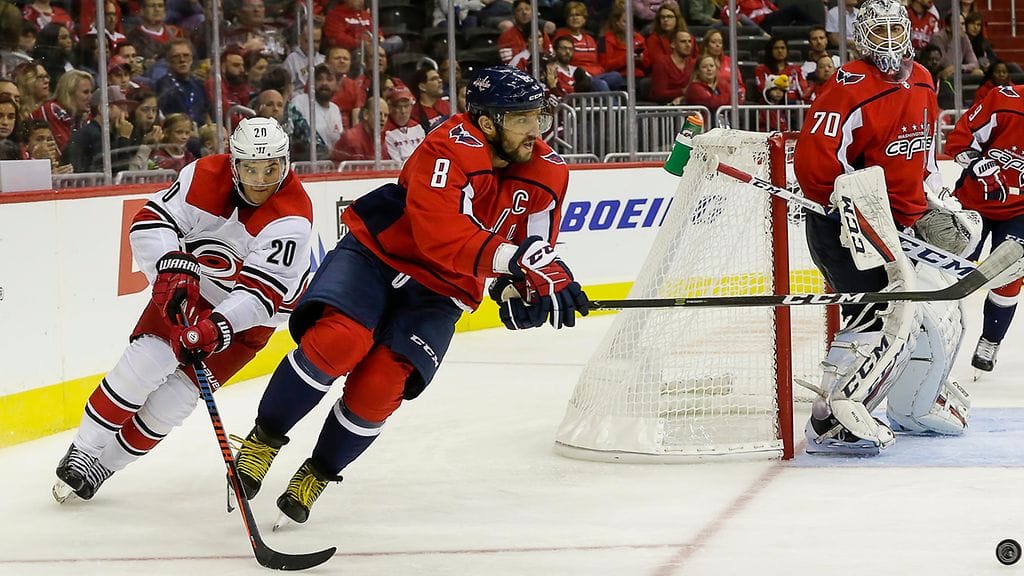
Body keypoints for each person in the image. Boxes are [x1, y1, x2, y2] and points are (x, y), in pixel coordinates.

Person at [232, 65, 589, 527]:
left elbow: (532, 248)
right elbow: (441, 235)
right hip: (381, 254)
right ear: (487, 122)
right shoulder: (447, 147)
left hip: (443, 290)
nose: (534, 130)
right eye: (521, 119)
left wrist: (522, 292)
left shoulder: (549, 173)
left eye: (536, 117)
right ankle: (264, 438)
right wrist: (516, 264)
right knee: (340, 339)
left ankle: (318, 473)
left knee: (383, 383)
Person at [52, 117, 313, 503]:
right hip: (192, 290)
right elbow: (149, 221)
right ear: (234, 163)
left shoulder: (292, 216)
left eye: (271, 168)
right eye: (251, 168)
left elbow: (260, 296)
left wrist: (216, 327)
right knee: (145, 362)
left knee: (177, 399)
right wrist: (170, 265)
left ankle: (105, 465)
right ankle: (84, 452)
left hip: (254, 316)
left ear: (286, 163)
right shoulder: (204, 176)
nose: (261, 180)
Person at [793, 0, 973, 455]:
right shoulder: (847, 88)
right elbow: (816, 164)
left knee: (937, 310)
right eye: (880, 30)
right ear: (862, 36)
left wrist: (937, 199)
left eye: (897, 28)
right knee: (871, 318)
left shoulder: (923, 80)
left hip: (904, 222)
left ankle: (915, 401)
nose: (890, 39)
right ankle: (829, 419)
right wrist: (850, 210)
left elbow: (923, 155)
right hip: (846, 224)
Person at [944, 84, 1024, 375]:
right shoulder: (1005, 101)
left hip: (1020, 212)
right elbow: (957, 143)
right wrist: (979, 164)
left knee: (1009, 273)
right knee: (947, 272)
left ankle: (991, 340)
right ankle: (929, 333)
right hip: (973, 203)